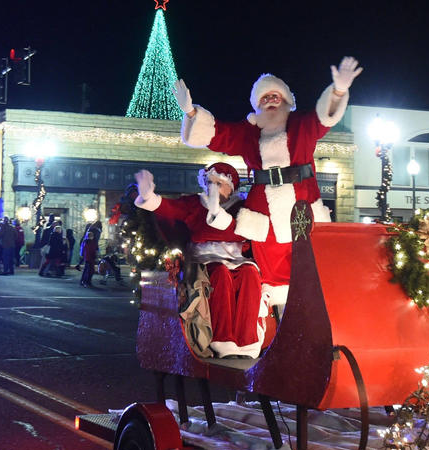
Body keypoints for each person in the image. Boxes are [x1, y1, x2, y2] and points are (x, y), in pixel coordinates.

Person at [174, 56, 361, 309]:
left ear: (286, 100)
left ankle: (309, 318)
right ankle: (271, 324)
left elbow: (324, 118)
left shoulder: (301, 124)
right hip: (265, 213)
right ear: (257, 105)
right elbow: (219, 134)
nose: (271, 101)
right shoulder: (248, 133)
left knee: (306, 262)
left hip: (301, 206)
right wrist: (191, 112)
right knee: (270, 271)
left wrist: (338, 91)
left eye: (276, 96)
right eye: (265, 98)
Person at [134, 163, 265, 358]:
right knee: (220, 274)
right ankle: (223, 340)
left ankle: (247, 341)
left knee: (250, 275)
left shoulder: (241, 207)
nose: (212, 187)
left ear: (231, 186)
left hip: (237, 258)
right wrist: (149, 197)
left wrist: (219, 214)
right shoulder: (196, 204)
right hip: (205, 258)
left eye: (218, 183)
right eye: (209, 182)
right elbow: (170, 208)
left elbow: (242, 231)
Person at [79, 220, 102, 287]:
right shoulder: (92, 240)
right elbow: (92, 248)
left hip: (88, 257)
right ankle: (86, 281)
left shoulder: (87, 238)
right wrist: (96, 253)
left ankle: (84, 281)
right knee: (89, 270)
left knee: (87, 269)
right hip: (90, 257)